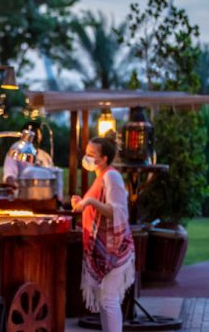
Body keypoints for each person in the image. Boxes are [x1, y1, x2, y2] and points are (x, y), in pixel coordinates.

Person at [71, 136, 135, 332]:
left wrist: (89, 203)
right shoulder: (101, 177)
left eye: (92, 154)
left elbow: (118, 212)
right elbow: (100, 207)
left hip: (113, 249)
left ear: (104, 158)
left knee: (109, 301)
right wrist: (82, 202)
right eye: (87, 152)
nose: (87, 157)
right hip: (103, 249)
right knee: (106, 302)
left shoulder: (111, 176)